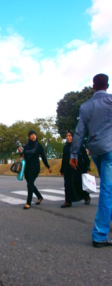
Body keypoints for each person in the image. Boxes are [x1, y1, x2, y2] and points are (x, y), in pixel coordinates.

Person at [70, 73, 112, 248]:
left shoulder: (85, 107)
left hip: (94, 150)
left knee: (108, 187)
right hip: (110, 148)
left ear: (93, 86)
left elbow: (79, 132)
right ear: (107, 86)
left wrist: (73, 154)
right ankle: (100, 234)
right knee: (107, 189)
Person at [18, 130, 52, 209]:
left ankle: (28, 203)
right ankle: (39, 197)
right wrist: (20, 152)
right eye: (31, 135)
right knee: (31, 184)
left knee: (29, 184)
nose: (33, 136)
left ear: (36, 136)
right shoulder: (26, 146)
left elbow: (43, 158)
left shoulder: (39, 146)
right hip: (27, 168)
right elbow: (23, 156)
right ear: (29, 136)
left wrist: (48, 167)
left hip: (35, 168)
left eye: (34, 134)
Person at [60, 130, 91, 208]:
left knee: (78, 184)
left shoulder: (79, 146)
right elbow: (64, 159)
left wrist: (87, 167)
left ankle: (86, 197)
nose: (68, 137)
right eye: (67, 136)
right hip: (68, 170)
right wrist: (62, 169)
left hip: (78, 169)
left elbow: (85, 157)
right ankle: (68, 201)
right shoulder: (65, 147)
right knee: (67, 185)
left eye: (70, 136)